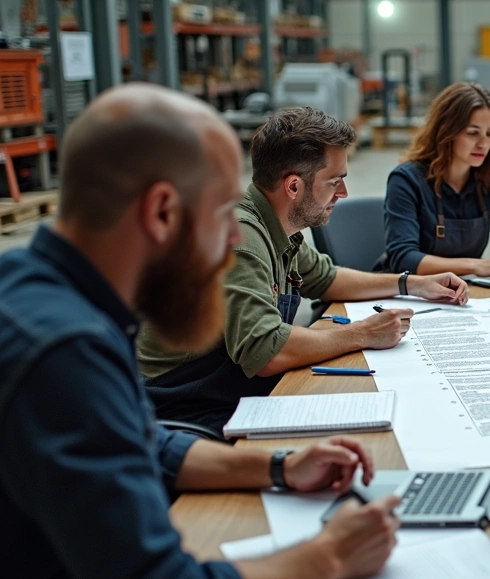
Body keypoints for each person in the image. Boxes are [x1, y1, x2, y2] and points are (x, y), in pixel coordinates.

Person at [0, 84, 402, 579]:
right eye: (220, 212)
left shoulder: (40, 290)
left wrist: (278, 467)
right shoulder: (63, 353)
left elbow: (144, 441)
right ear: (162, 211)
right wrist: (331, 553)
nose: (234, 237)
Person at [136, 106, 469, 433]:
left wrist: (412, 284)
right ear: (293, 186)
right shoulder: (241, 239)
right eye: (334, 181)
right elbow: (265, 350)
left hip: (226, 391)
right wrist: (363, 333)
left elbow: (326, 278)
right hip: (188, 409)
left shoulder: (274, 225)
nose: (343, 193)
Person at [378, 82, 490, 276]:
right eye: (473, 133)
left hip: (463, 289)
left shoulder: (489, 180)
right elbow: (403, 259)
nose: (483, 144)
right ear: (446, 131)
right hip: (407, 290)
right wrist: (475, 266)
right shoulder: (406, 180)